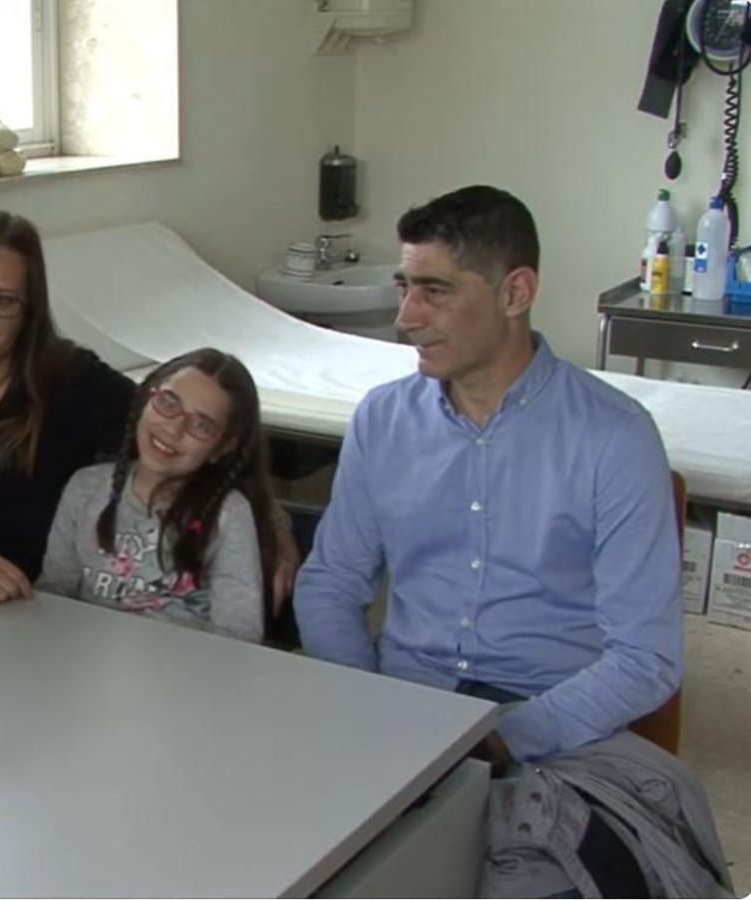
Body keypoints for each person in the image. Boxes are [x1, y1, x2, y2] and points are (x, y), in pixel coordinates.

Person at [293, 186, 691, 893]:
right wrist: (370, 703)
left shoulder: (614, 437)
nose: (405, 317)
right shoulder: (383, 421)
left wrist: (503, 738)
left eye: (435, 291)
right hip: (403, 708)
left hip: (549, 729)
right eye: (405, 287)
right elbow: (331, 582)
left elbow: (645, 657)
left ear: (516, 292)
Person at [0, 210, 300, 606]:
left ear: (29, 310)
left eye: (2, 301)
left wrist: (271, 523)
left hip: (34, 614)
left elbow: (181, 432)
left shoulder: (73, 379)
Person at [38, 348, 277, 643]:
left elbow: (240, 633)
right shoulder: (85, 487)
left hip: (184, 676)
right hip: (86, 661)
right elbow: (54, 597)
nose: (174, 428)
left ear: (224, 447)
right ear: (145, 399)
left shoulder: (229, 514)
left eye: (201, 425)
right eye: (168, 403)